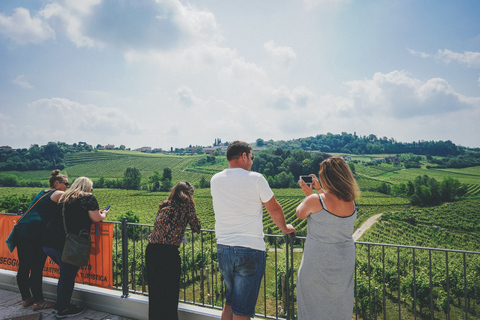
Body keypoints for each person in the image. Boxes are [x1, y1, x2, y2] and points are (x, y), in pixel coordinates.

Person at [211, 140, 296, 320]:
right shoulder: (256, 178)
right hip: (249, 250)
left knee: (229, 302)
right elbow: (274, 208)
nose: (251, 161)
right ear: (243, 156)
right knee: (242, 310)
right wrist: (286, 228)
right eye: (251, 157)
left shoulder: (215, 180)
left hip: (223, 248)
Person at [295, 156, 360, 320]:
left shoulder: (315, 200)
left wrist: (310, 194)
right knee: (338, 304)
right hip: (344, 261)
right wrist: (319, 192)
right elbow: (332, 208)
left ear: (326, 178)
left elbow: (299, 214)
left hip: (318, 262)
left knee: (312, 304)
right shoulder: (351, 202)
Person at [43, 177, 109, 319]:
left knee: (65, 275)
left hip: (48, 242)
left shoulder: (65, 197)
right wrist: (104, 214)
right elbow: (96, 218)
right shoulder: (88, 198)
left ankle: (60, 305)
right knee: (67, 277)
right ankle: (62, 310)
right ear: (88, 187)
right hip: (68, 244)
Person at [145, 181, 201, 320]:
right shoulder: (187, 206)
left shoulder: (164, 205)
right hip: (169, 253)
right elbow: (196, 228)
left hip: (152, 250)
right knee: (170, 293)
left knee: (155, 293)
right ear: (189, 194)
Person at [15, 169, 68, 311]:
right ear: (57, 183)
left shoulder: (42, 192)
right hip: (35, 233)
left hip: (21, 229)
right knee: (37, 267)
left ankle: (26, 298)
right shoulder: (59, 193)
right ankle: (39, 301)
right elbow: (73, 203)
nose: (67, 187)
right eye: (66, 183)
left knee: (24, 265)